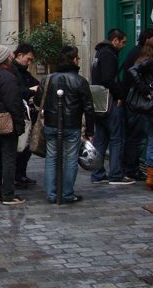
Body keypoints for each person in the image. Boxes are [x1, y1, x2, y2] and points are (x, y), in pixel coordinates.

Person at [34, 45, 95, 204]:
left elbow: (37, 101)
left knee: (51, 158)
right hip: (72, 125)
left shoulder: (47, 79)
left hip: (51, 124)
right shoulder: (80, 81)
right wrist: (90, 131)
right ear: (74, 60)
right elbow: (89, 108)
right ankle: (67, 193)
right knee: (70, 159)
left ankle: (52, 194)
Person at [0, 44, 27, 205]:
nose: (11, 58)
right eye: (9, 56)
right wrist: (19, 123)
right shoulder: (8, 77)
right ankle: (8, 194)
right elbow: (13, 103)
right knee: (8, 158)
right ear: (4, 59)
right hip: (6, 123)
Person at [90, 28, 134, 185]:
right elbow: (109, 79)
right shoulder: (109, 55)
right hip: (109, 101)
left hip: (99, 102)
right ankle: (115, 173)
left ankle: (97, 173)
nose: (123, 45)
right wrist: (121, 95)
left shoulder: (99, 53)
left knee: (101, 139)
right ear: (115, 40)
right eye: (123, 42)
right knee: (116, 138)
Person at [127, 35, 153, 192]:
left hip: (150, 108)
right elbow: (132, 71)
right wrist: (146, 91)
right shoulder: (151, 61)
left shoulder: (146, 59)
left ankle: (151, 176)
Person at [121, 28, 153, 180]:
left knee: (134, 136)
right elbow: (131, 73)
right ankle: (131, 168)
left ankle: (130, 167)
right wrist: (145, 91)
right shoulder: (142, 54)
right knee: (138, 137)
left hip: (132, 102)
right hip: (138, 103)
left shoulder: (134, 52)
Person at [10, 43, 39, 188]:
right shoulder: (13, 70)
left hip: (28, 114)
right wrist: (31, 91)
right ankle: (16, 176)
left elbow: (35, 83)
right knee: (20, 147)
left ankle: (21, 174)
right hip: (20, 115)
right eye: (28, 59)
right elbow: (18, 92)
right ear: (19, 55)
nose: (29, 62)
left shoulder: (23, 71)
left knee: (26, 148)